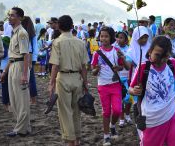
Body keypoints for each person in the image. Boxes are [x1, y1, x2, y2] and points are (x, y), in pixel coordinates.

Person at [129, 36, 175, 146]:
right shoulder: (143, 67)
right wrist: (135, 90)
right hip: (152, 119)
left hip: (171, 114)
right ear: (150, 51)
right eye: (157, 55)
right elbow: (130, 89)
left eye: (165, 56)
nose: (161, 60)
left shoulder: (172, 64)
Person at [49, 15, 89, 146]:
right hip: (77, 78)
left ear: (59, 26)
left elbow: (55, 65)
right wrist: (85, 83)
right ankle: (77, 139)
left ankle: (70, 141)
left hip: (63, 77)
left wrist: (51, 83)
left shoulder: (57, 42)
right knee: (76, 110)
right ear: (72, 26)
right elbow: (84, 66)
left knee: (65, 112)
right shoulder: (80, 42)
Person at [91, 27, 128, 146]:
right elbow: (93, 71)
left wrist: (119, 67)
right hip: (102, 85)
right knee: (106, 112)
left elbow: (122, 66)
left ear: (111, 37)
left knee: (117, 110)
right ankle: (106, 135)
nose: (103, 38)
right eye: (101, 36)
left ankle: (113, 125)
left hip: (115, 84)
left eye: (106, 36)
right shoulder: (97, 53)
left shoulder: (116, 51)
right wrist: (96, 69)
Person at [0, 7, 31, 137]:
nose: (10, 17)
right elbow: (12, 56)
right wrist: (5, 71)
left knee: (21, 99)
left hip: (20, 66)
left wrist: (24, 74)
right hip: (13, 65)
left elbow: (25, 55)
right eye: (9, 15)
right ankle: (23, 127)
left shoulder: (22, 33)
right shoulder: (14, 33)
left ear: (20, 18)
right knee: (14, 99)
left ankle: (21, 129)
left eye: (13, 15)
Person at [114, 31, 133, 127]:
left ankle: (128, 114)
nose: (119, 39)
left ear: (126, 40)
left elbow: (131, 64)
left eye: (121, 37)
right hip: (118, 78)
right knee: (120, 99)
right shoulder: (113, 49)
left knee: (129, 99)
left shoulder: (129, 50)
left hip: (128, 77)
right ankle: (121, 118)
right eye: (117, 37)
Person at [21, 16, 39, 104]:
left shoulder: (26, 34)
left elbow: (29, 49)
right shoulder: (33, 33)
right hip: (33, 57)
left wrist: (29, 63)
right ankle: (33, 99)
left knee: (30, 79)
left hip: (29, 58)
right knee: (31, 79)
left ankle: (33, 99)